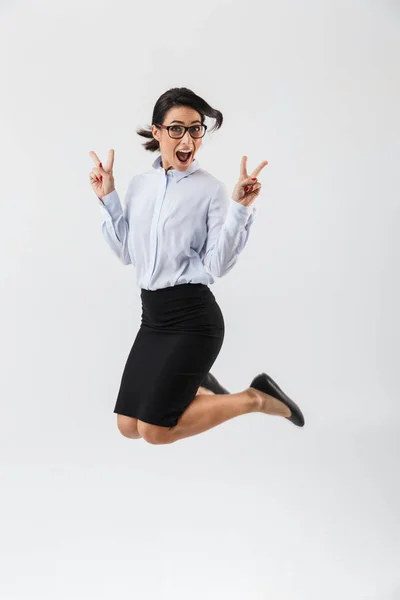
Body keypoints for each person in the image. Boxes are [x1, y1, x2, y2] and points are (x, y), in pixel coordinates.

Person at [88, 87, 305, 445]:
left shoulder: (211, 190)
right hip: (153, 319)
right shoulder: (141, 185)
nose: (187, 138)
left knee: (156, 431)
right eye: (176, 129)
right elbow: (127, 252)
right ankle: (203, 386)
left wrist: (240, 208)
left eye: (195, 129)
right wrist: (108, 197)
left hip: (194, 320)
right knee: (128, 426)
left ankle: (256, 398)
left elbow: (217, 264)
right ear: (157, 133)